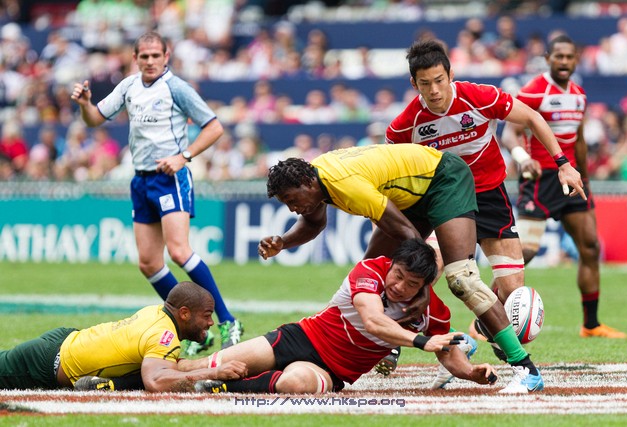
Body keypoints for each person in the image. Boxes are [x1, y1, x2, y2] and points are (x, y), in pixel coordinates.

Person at [257, 143, 542, 393]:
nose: (292, 209)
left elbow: (410, 237)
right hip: (413, 194)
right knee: (371, 274)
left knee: (462, 279)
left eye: (292, 200)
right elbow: (314, 223)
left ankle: (526, 370)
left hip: (445, 179)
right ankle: (455, 340)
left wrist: (423, 289)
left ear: (306, 183)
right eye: (287, 204)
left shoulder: (346, 185)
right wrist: (283, 242)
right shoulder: (316, 178)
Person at [382, 39, 587, 376]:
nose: (434, 90)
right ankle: (393, 341)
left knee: (513, 291)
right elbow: (392, 172)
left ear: (450, 74)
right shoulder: (405, 125)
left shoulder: (479, 97)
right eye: (425, 83)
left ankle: (483, 329)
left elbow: (532, 117)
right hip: (445, 200)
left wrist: (563, 163)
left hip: (490, 195)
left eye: (439, 80)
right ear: (413, 83)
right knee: (425, 270)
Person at [70, 31, 244, 353]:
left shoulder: (176, 87)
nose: (150, 61)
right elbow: (94, 120)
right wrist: (84, 105)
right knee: (149, 263)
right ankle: (195, 330)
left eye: (155, 55)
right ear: (135, 58)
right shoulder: (128, 86)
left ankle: (227, 320)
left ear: (166, 56)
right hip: (141, 180)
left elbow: (214, 127)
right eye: (144, 56)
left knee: (179, 251)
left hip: (169, 178)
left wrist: (183, 157)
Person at [181, 239, 497, 394]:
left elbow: (448, 353)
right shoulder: (370, 269)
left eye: (412, 284)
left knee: (295, 384)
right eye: (398, 275)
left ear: (425, 285)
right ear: (391, 264)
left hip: (333, 371)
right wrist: (420, 341)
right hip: (299, 338)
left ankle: (222, 387)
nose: (399, 286)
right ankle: (157, 367)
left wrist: (470, 373)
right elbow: (373, 320)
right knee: (204, 365)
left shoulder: (434, 312)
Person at [501, 35, 627, 339]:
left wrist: (585, 176)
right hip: (541, 180)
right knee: (525, 252)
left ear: (576, 60)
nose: (564, 62)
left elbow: (578, 140)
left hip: (571, 179)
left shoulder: (579, 95)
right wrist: (522, 158)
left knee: (590, 247)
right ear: (548, 58)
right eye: (559, 56)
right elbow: (509, 133)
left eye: (570, 57)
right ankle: (486, 322)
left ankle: (591, 325)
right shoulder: (534, 91)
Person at [0, 282, 247, 391]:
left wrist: (211, 365)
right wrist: (214, 373)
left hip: (64, 341)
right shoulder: (164, 336)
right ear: (184, 313)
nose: (210, 323)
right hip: (47, 362)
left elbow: (167, 366)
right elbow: (156, 381)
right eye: (207, 315)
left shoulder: (156, 313)